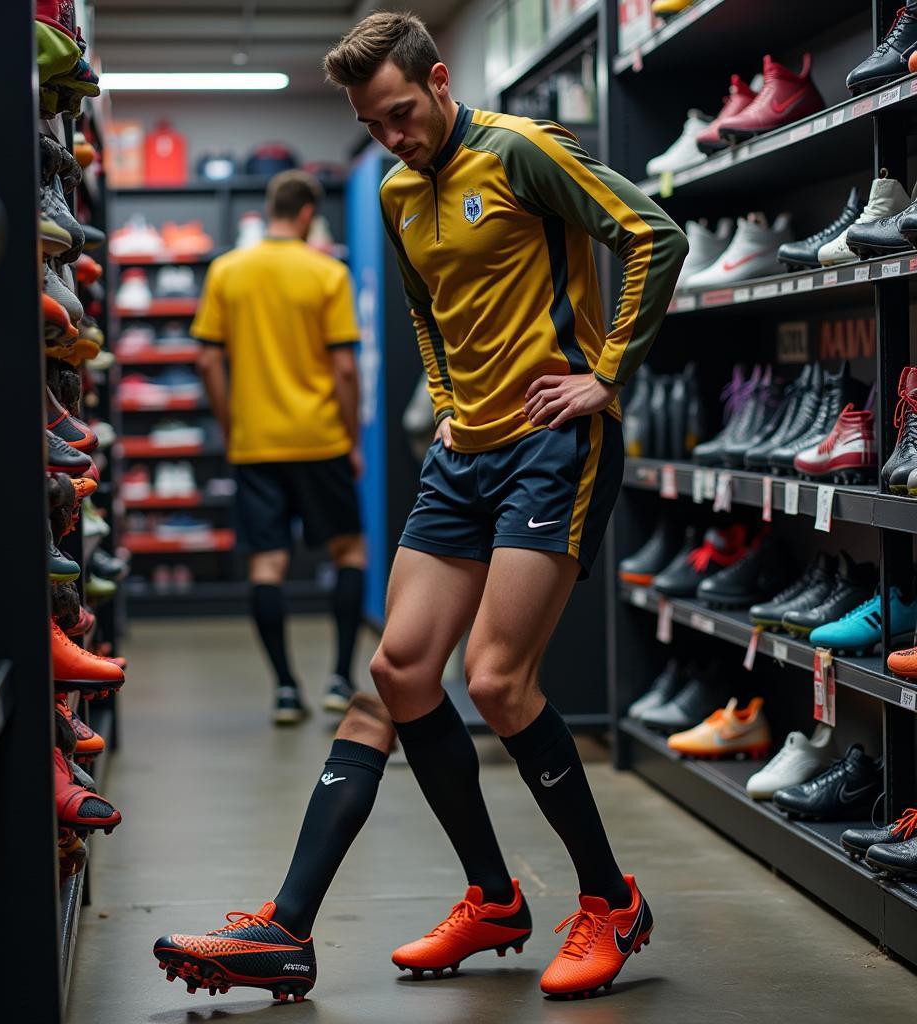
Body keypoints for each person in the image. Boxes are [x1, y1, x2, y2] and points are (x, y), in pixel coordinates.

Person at [152, 12, 686, 1003]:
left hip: (552, 445)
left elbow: (652, 232)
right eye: (370, 125)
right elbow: (423, 315)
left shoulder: (520, 152)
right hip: (465, 454)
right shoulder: (399, 192)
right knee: (395, 673)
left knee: (494, 680)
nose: (392, 137)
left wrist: (606, 374)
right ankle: (337, 923)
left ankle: (609, 899)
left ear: (439, 82)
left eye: (401, 112)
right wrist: (446, 407)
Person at [193, 170, 367, 725]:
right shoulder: (327, 272)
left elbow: (206, 360)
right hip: (321, 440)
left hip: (256, 444)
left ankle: (287, 690)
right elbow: (344, 367)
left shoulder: (226, 271)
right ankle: (340, 679)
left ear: (270, 210)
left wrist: (232, 423)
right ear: (308, 213)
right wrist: (352, 439)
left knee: (266, 566)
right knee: (349, 553)